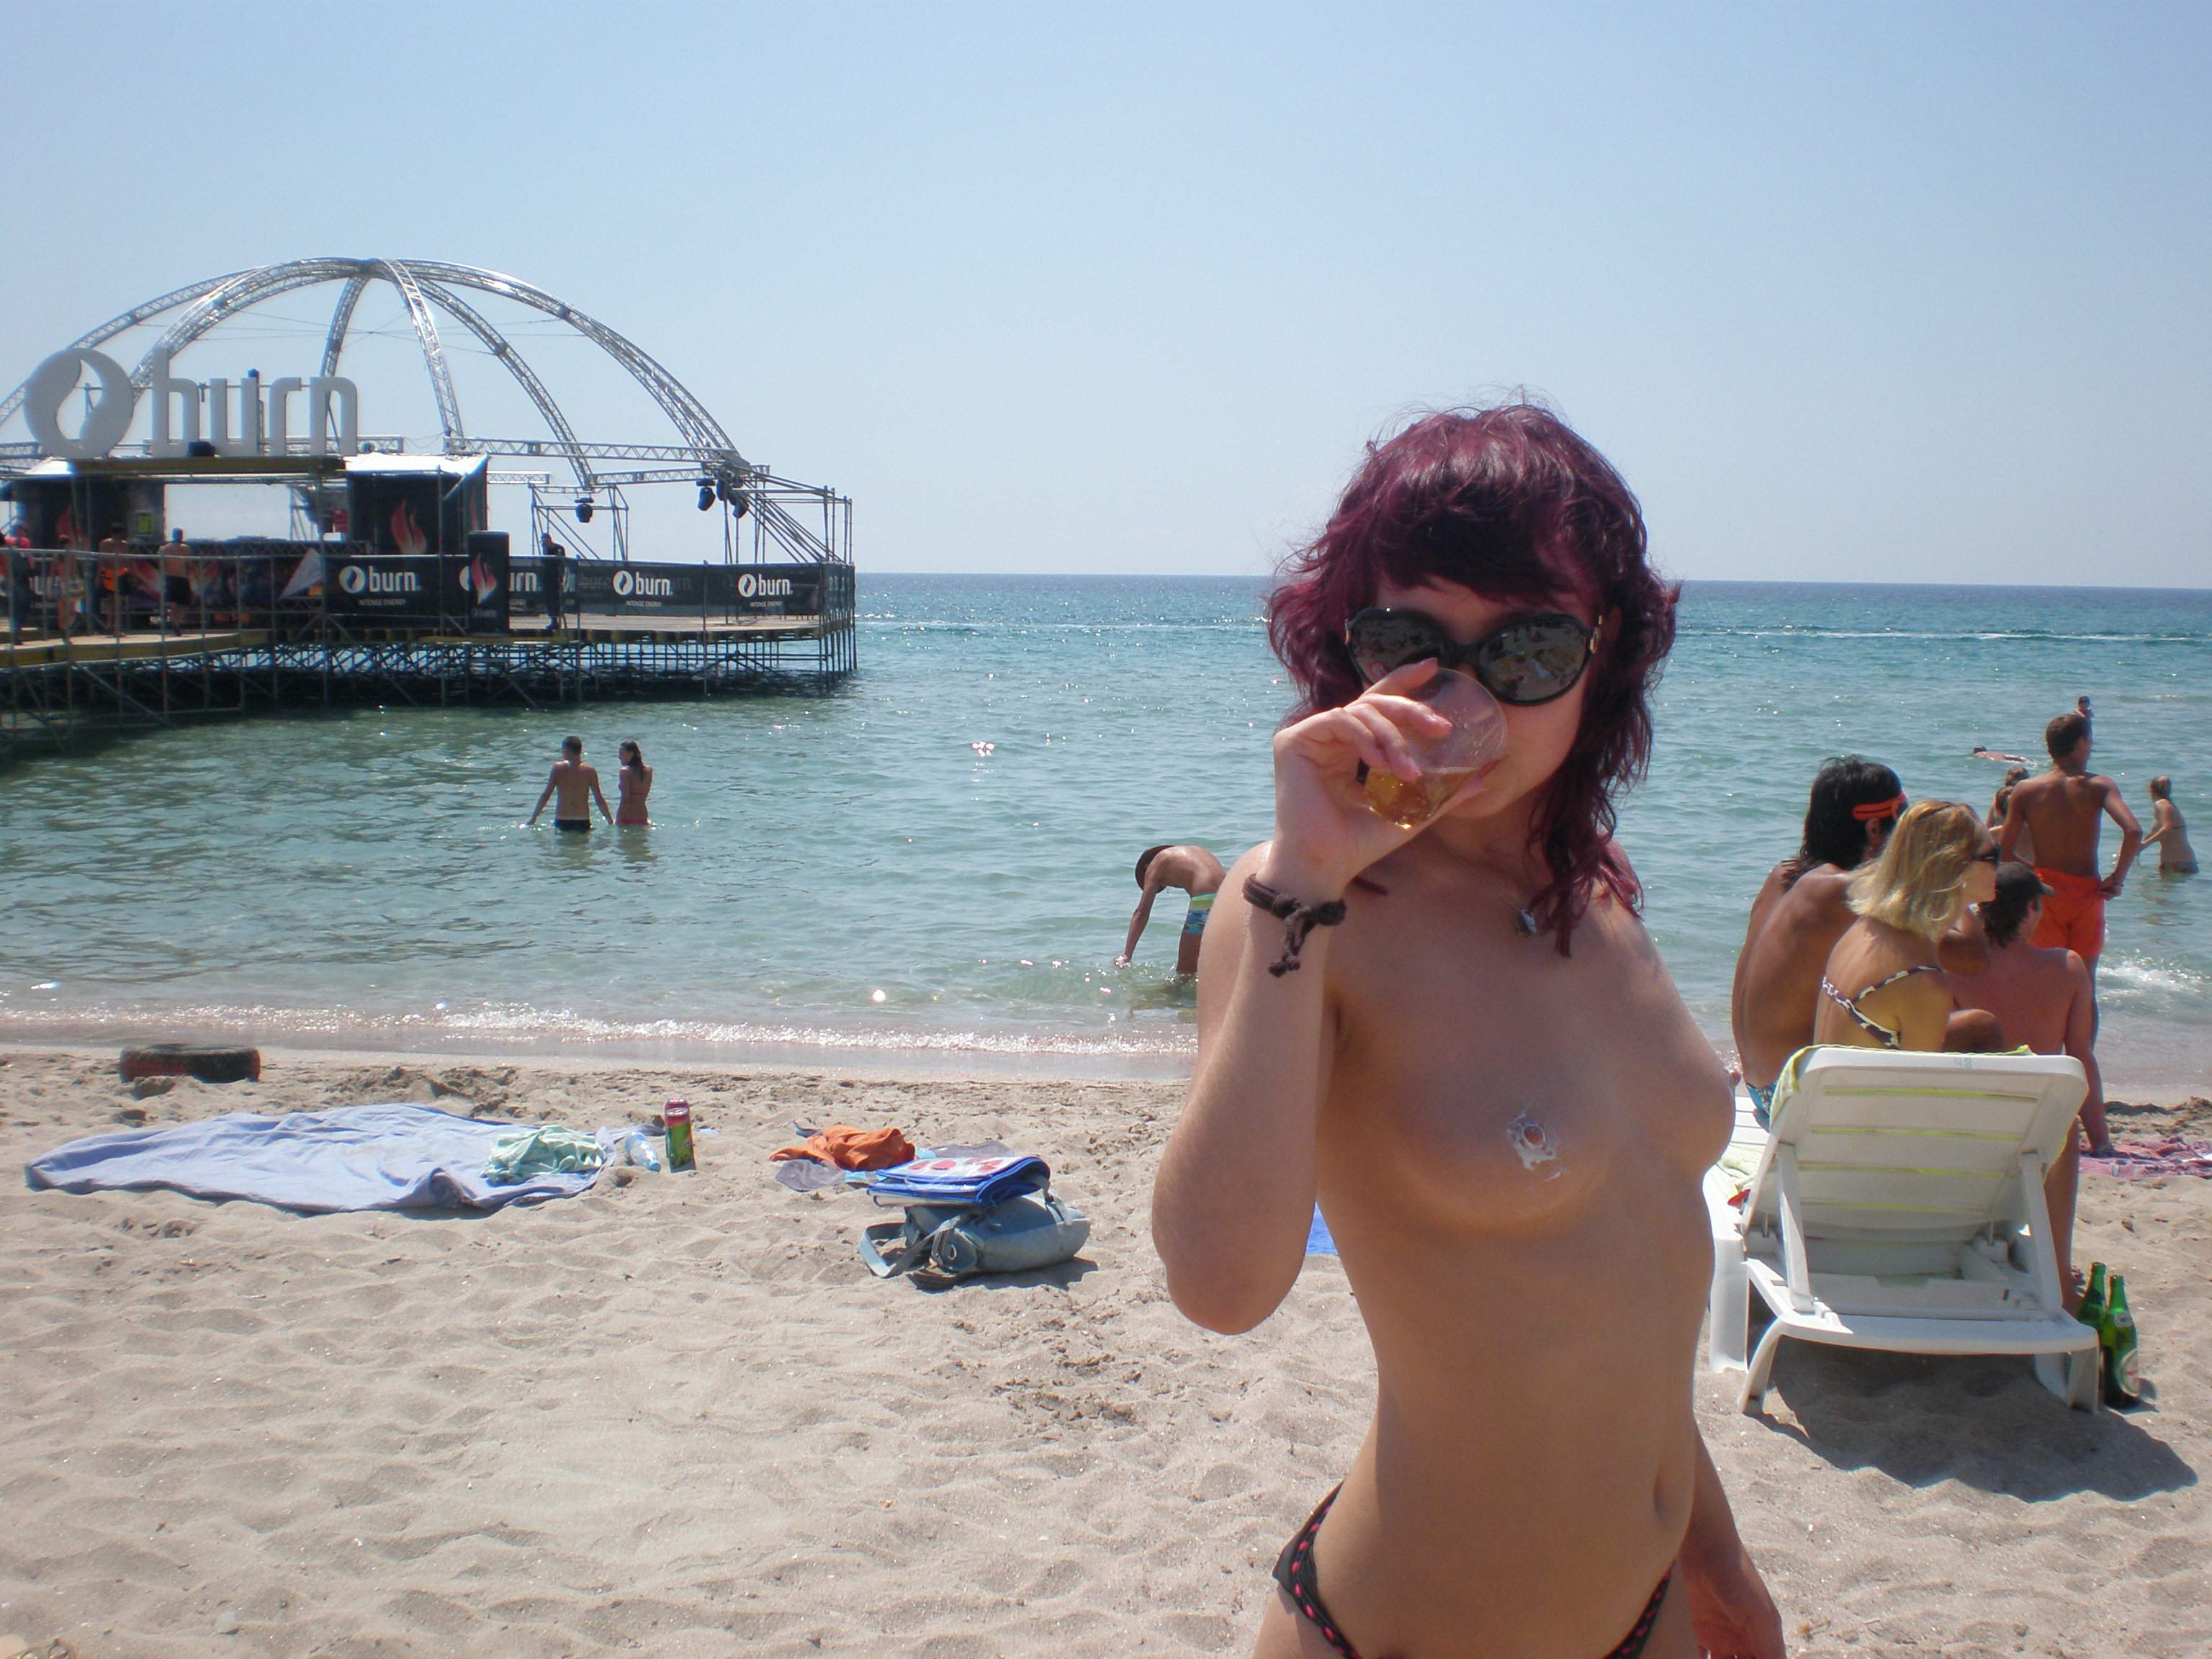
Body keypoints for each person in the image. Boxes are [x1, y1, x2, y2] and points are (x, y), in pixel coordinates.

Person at [1154, 405, 1782, 1659]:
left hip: (1652, 1608)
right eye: (1411, 642)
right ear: (1351, 649)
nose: (1465, 694)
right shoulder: (1307, 910)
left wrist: (1719, 1561)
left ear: (1606, 651)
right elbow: (1219, 1288)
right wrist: (1302, 879)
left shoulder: (1591, 893)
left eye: (1528, 647)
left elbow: (1628, 1294)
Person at [1951, 862, 2105, 1297]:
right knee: (2066, 1130)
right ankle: (2059, 1268)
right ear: (2032, 909)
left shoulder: (1953, 970)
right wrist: (2101, 1138)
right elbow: (2081, 1058)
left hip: (1969, 1125)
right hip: (2036, 1132)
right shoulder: (2067, 967)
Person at [1730, 756, 1907, 1121]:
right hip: (1793, 1097)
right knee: (1973, 1026)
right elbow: (1965, 955)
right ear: (1875, 828)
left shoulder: (1783, 877)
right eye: (1904, 818)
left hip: (1761, 1088)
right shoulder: (1842, 891)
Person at [1815, 801, 2003, 1056]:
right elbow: (1918, 1080)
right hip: (1864, 1083)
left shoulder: (1866, 928)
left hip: (1828, 1080)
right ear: (1956, 869)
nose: (1999, 865)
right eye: (1993, 856)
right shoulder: (1922, 981)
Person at [1998, 709, 2142, 970]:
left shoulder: (2026, 790)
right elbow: (2133, 831)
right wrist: (2117, 879)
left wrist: (2035, 875)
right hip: (2087, 893)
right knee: (2085, 981)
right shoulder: (2100, 786)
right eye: (2090, 741)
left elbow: (2005, 852)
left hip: (2044, 892)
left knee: (2045, 977)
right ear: (2080, 743)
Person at [1117, 843, 1227, 975]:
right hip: (1230, 897)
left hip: (1205, 901)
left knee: (1185, 973)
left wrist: (1127, 954)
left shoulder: (1157, 862)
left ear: (1146, 867)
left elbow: (1142, 913)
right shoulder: (1193, 852)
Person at [527, 735, 611, 832]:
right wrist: (610, 820)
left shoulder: (558, 768)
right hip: (583, 820)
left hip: (562, 819)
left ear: (566, 751)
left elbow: (546, 795)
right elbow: (599, 799)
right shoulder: (590, 771)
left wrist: (534, 817)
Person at [2144, 775, 2197, 876]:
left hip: (2173, 863)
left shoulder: (2161, 804)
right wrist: (2139, 847)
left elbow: (2167, 828)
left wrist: (2145, 844)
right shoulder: (2170, 805)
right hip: (2187, 859)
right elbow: (2155, 830)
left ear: (2152, 791)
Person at [1986, 765, 2035, 865]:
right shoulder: (2036, 832)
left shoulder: (1998, 800)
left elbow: (1988, 825)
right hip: (2030, 866)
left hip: (2003, 865)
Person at [616, 739, 652, 827]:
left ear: (631, 754)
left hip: (627, 818)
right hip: (643, 817)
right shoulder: (648, 771)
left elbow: (625, 799)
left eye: (621, 754)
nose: (619, 757)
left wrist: (618, 819)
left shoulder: (625, 772)